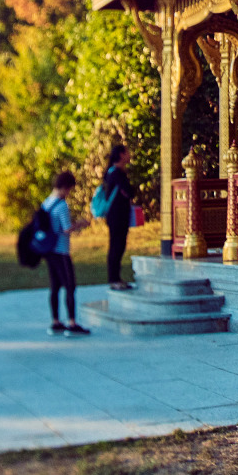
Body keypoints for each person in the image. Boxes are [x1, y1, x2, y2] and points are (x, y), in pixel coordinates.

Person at [41, 171, 90, 336]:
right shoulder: (61, 205)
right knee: (70, 286)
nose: (69, 193)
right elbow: (67, 228)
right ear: (65, 187)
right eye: (69, 189)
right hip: (61, 250)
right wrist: (81, 224)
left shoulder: (46, 203)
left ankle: (55, 321)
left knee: (54, 286)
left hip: (49, 250)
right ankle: (72, 323)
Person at [100, 144, 137, 290]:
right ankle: (113, 279)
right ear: (121, 155)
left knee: (118, 245)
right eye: (127, 152)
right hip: (117, 216)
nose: (129, 155)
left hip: (117, 216)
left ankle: (116, 278)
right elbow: (129, 191)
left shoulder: (112, 173)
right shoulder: (116, 174)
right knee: (117, 246)